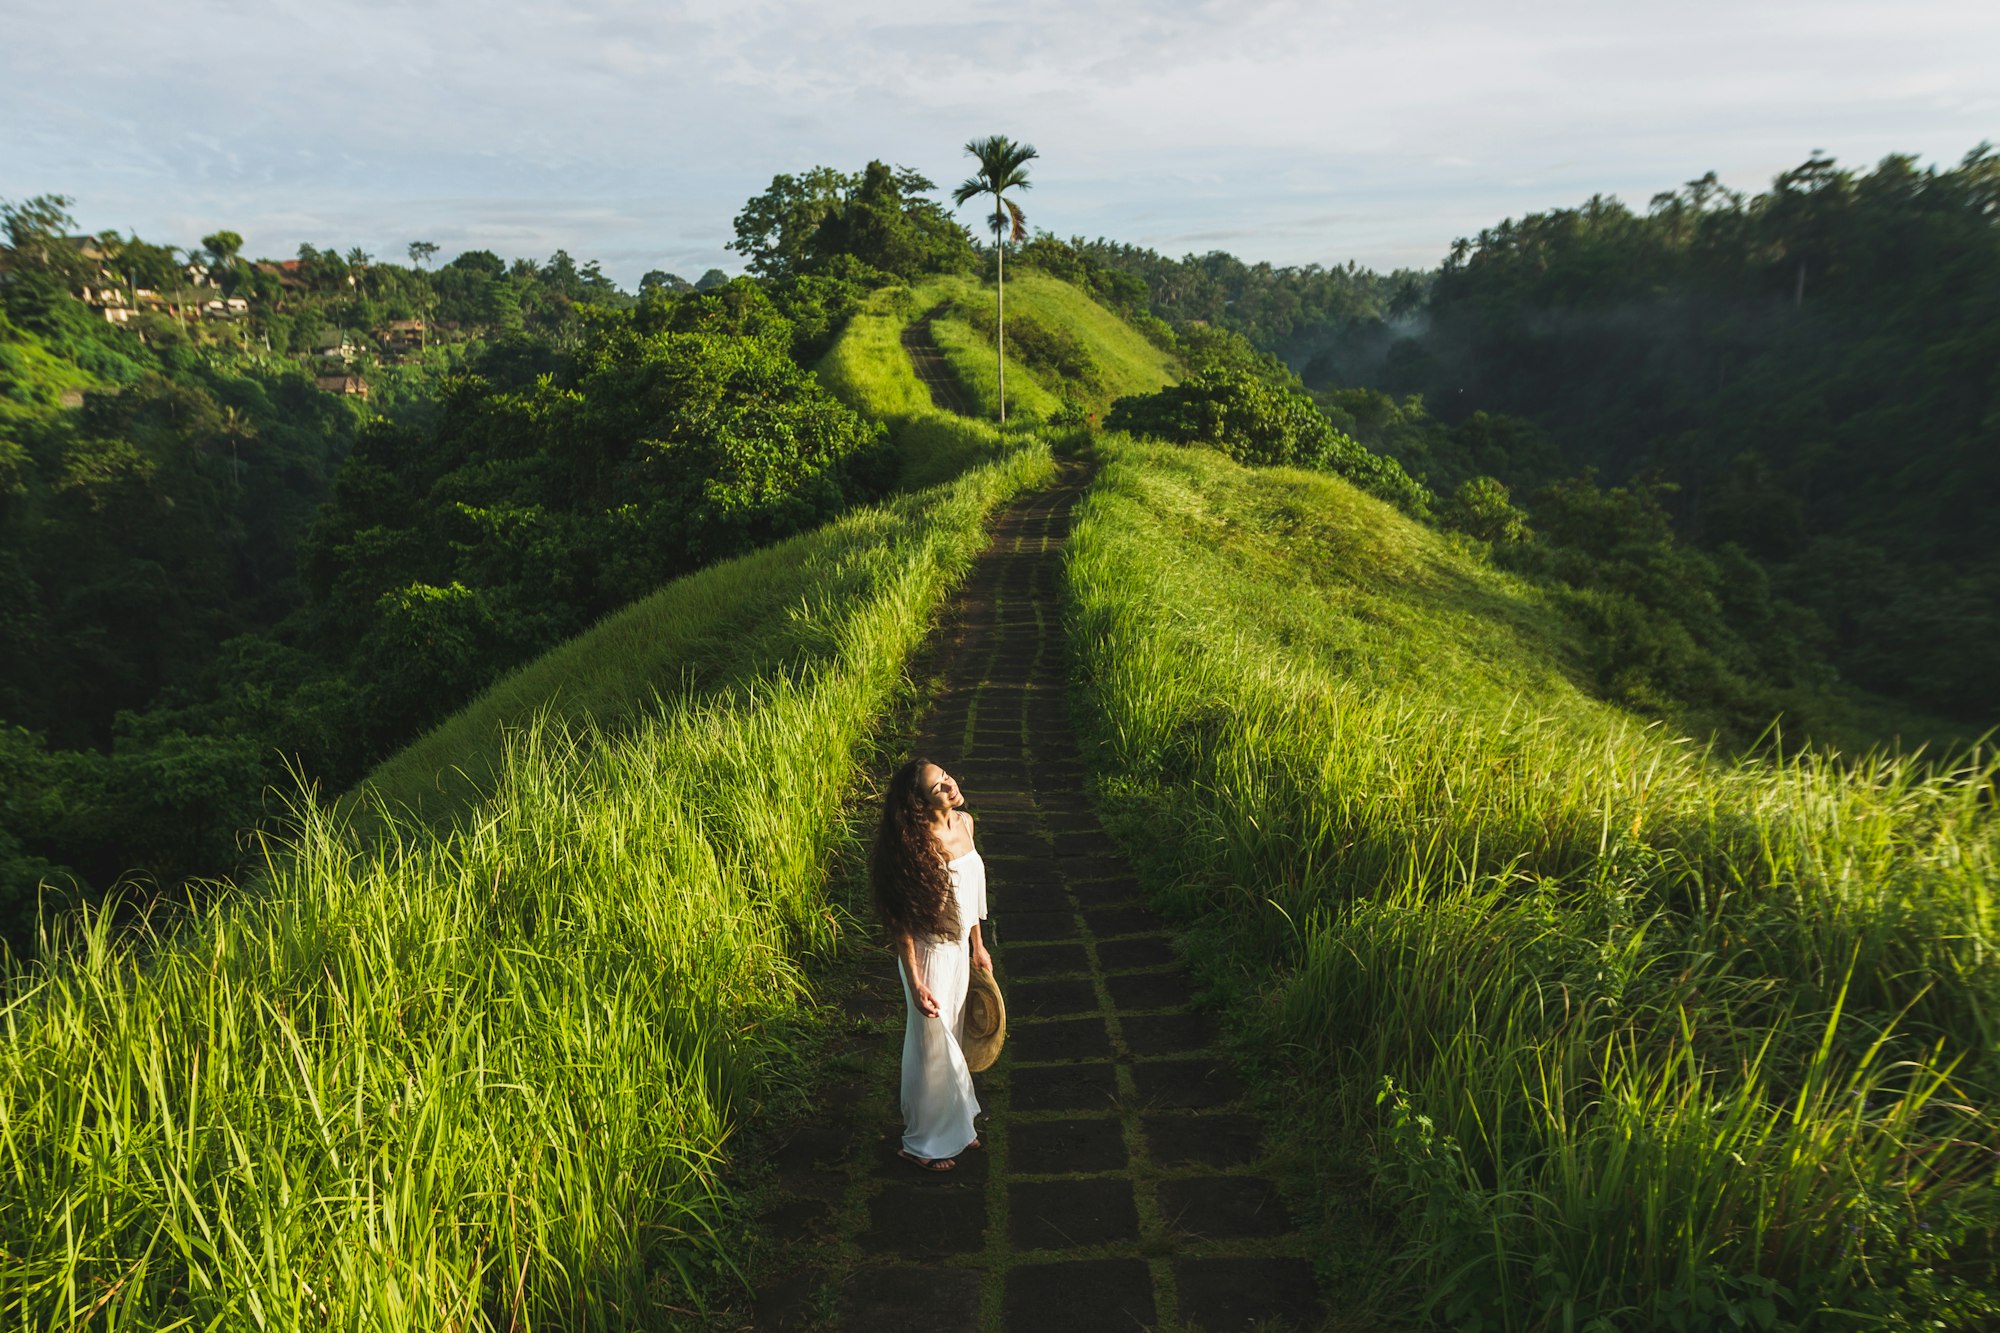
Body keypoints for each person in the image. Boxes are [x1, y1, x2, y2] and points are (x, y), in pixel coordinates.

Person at [870, 757, 992, 1171]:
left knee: (954, 1034)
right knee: (929, 1046)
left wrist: (978, 946)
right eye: (936, 787)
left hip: (959, 948)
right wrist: (917, 980)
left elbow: (973, 892)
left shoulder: (966, 823)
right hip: (928, 954)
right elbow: (901, 923)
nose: (949, 786)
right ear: (920, 803)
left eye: (946, 777)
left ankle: (957, 1125)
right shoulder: (915, 845)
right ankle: (922, 1144)